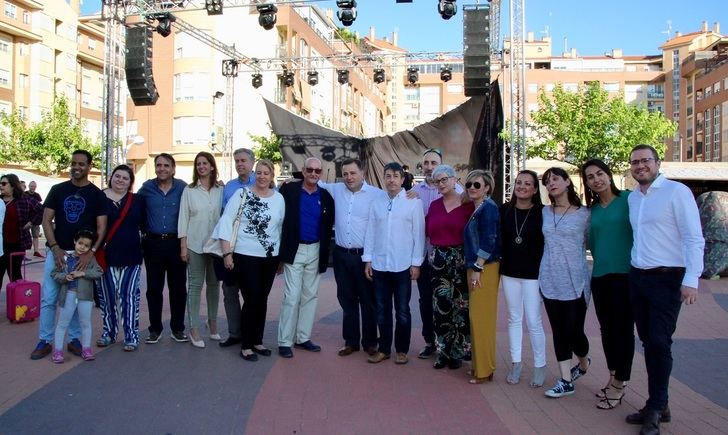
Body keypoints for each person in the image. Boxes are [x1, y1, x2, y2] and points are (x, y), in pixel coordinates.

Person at [624, 145, 704, 435]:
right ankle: (660, 402)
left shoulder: (676, 192)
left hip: (668, 279)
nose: (640, 166)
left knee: (659, 342)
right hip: (639, 277)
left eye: (646, 160)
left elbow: (693, 237)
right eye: (635, 162)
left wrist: (691, 279)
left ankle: (656, 407)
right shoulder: (633, 198)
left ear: (658, 163)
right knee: (648, 341)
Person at [30, 150, 108, 360]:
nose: (76, 167)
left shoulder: (97, 194)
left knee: (75, 298)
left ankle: (74, 339)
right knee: (50, 298)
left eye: (81, 164)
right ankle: (45, 340)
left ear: (89, 166)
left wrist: (90, 253)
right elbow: (46, 220)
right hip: (58, 252)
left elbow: (102, 227)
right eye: (73, 163)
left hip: (82, 254)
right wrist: (54, 247)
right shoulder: (58, 190)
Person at [314, 158, 386, 357]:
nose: (349, 177)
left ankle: (371, 342)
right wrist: (290, 183)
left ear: (362, 172)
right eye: (345, 174)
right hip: (340, 255)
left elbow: (396, 200)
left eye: (353, 173)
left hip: (364, 256)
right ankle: (351, 341)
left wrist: (411, 193)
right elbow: (314, 182)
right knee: (346, 299)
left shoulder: (377, 195)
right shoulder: (336, 189)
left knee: (368, 301)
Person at [581, 159, 634, 409]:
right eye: (590, 177)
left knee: (623, 331)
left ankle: (620, 383)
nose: (596, 180)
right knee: (606, 330)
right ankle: (613, 376)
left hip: (626, 275)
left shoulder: (629, 200)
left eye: (599, 174)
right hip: (600, 276)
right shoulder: (593, 211)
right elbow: (591, 243)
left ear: (609, 175)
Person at [218, 159, 284, 362]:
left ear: (272, 176)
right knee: (252, 298)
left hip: (270, 258)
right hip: (245, 256)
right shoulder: (242, 194)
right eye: (259, 173)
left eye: (267, 173)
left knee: (261, 299)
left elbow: (280, 229)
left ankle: (257, 341)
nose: (262, 176)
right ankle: (246, 345)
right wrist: (227, 253)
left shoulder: (279, 199)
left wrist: (280, 258)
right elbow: (227, 223)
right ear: (255, 174)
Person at [363, 162, 424, 365]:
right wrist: (368, 260)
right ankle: (384, 349)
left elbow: (419, 235)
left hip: (403, 265)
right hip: (380, 265)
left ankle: (402, 350)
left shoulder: (413, 202)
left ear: (402, 178)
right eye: (388, 176)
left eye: (395, 176)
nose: (391, 180)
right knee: (382, 310)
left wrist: (416, 263)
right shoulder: (377, 202)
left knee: (403, 311)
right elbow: (370, 232)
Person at [539, 167, 591, 398]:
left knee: (575, 333)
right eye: (547, 181)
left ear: (568, 181)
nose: (551, 183)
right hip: (549, 280)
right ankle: (565, 380)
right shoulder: (544, 213)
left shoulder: (585, 214)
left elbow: (596, 244)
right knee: (559, 331)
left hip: (576, 281)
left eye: (556, 179)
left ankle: (583, 362)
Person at [276, 157, 335, 358]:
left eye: (317, 171)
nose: (313, 173)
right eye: (309, 169)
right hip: (295, 249)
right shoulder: (288, 190)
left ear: (321, 173)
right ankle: (284, 341)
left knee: (310, 295)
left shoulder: (326, 196)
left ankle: (302, 338)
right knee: (292, 296)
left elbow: (329, 225)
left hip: (316, 250)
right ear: (302, 170)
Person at [409, 148, 464, 359]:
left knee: (451, 301)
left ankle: (453, 343)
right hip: (424, 256)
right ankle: (430, 342)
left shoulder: (459, 191)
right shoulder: (414, 192)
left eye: (434, 162)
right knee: (425, 301)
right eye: (426, 163)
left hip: (451, 257)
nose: (430, 167)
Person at [499, 170, 547, 387]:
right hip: (509, 273)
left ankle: (539, 365)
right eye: (519, 182)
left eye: (527, 183)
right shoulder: (504, 210)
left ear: (535, 189)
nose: (522, 186)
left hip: (534, 275)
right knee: (514, 318)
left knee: (534, 321)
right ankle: (516, 363)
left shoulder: (543, 212)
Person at [425, 164, 474, 370]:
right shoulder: (434, 206)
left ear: (455, 180)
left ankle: (458, 353)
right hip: (438, 260)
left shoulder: (468, 203)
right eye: (437, 181)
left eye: (445, 179)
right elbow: (427, 231)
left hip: (461, 259)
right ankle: (442, 352)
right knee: (440, 307)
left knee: (461, 306)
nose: (441, 184)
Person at [138, 153, 188, 344]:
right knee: (154, 288)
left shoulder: (183, 188)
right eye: (158, 165)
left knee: (178, 289)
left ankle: (177, 329)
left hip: (176, 244)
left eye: (166, 165)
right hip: (153, 243)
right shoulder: (146, 188)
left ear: (173, 169)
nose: (162, 169)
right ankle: (155, 329)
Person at [96, 165, 145, 351]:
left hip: (131, 256)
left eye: (125, 178)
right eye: (117, 176)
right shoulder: (99, 197)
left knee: (129, 297)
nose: (120, 180)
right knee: (107, 298)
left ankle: (131, 335)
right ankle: (108, 333)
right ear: (111, 177)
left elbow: (144, 225)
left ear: (130, 182)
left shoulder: (137, 200)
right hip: (104, 257)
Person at [178, 152, 223, 348]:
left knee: (214, 285)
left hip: (216, 246)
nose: (201, 167)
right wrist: (183, 246)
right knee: (195, 286)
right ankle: (194, 328)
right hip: (194, 245)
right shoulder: (189, 191)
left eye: (205, 163)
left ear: (212, 166)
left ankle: (212, 323)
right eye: (198, 164)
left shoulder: (221, 189)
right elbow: (183, 219)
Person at [463, 170, 501, 384]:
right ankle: (480, 366)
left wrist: (478, 266)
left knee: (482, 319)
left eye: (477, 185)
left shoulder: (489, 209)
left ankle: (485, 370)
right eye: (469, 184)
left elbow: (489, 239)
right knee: (476, 318)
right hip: (477, 266)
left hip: (484, 267)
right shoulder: (477, 208)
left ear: (487, 188)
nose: (471, 188)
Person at [218, 147, 257, 348]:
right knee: (230, 292)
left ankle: (250, 335)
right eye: (237, 161)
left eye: (243, 160)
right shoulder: (229, 187)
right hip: (231, 248)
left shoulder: (261, 183)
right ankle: (235, 333)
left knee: (251, 294)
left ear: (252, 162)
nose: (240, 164)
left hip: (252, 249)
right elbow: (224, 216)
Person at [51, 230, 103, 363]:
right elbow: (54, 273)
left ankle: (86, 349)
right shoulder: (66, 257)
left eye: (86, 246)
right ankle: (57, 351)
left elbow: (99, 272)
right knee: (62, 323)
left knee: (85, 323)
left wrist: (83, 273)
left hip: (85, 297)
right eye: (80, 243)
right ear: (75, 241)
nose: (82, 247)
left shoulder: (90, 259)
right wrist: (64, 277)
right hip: (68, 295)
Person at [1, 174, 43, 287]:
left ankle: (18, 303)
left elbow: (42, 211)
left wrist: (31, 222)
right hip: (0, 245)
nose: (1, 186)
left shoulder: (24, 200)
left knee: (15, 275)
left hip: (16, 244)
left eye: (4, 184)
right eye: (0, 184)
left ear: (13, 185)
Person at [25, 181, 44, 257]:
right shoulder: (25, 194)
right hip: (26, 219)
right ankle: (24, 253)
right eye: (31, 186)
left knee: (35, 236)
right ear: (29, 186)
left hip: (35, 219)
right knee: (25, 236)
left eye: (34, 186)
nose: (33, 188)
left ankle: (36, 251)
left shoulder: (37, 196)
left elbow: (40, 207)